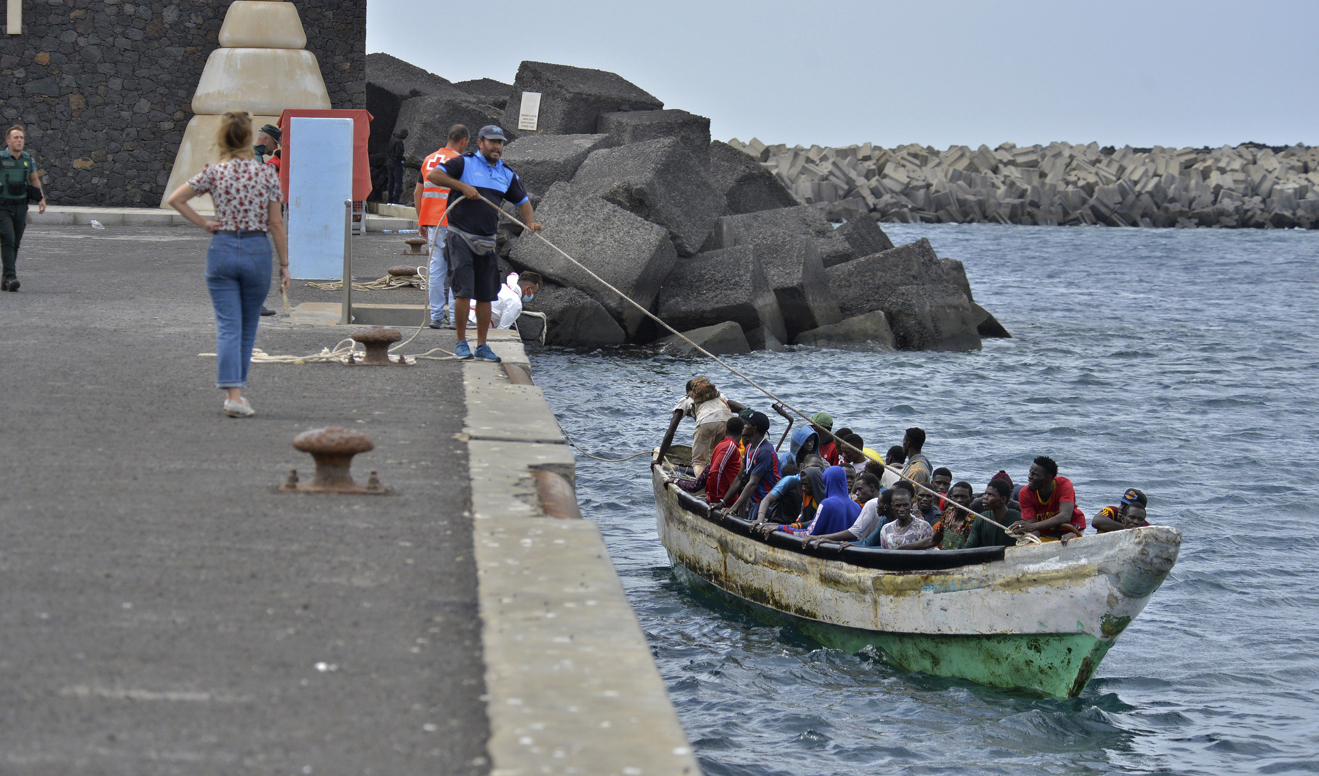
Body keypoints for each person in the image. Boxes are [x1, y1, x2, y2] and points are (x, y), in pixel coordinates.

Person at [168, 111, 289, 418]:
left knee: (227, 325)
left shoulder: (215, 172)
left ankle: (232, 394)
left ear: (222, 139)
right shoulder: (266, 175)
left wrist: (206, 224)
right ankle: (237, 395)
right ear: (250, 139)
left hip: (221, 247)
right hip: (256, 249)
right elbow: (276, 222)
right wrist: (285, 265)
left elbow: (176, 199)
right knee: (248, 326)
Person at [427, 125, 542, 363]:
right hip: (460, 236)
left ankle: (482, 345)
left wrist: (530, 222)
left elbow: (522, 200)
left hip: (487, 240)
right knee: (463, 292)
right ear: (480, 143)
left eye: (500, 142)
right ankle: (460, 343)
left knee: (486, 295)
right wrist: (463, 187)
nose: (497, 146)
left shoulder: (506, 173)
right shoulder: (464, 163)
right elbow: (434, 176)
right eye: (492, 141)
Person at [418, 125, 468, 329]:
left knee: (436, 271)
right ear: (464, 141)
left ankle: (436, 316)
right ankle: (457, 319)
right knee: (457, 271)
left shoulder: (428, 160)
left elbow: (418, 192)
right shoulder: (461, 162)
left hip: (432, 223)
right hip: (454, 222)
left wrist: (421, 219)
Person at [657, 376, 747, 474]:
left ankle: (703, 486)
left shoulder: (687, 399)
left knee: (698, 461)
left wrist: (659, 459)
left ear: (689, 392)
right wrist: (739, 430)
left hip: (706, 423)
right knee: (718, 458)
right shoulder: (718, 396)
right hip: (727, 423)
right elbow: (743, 408)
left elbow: (670, 431)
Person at [0, 125, 46, 292]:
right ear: (8, 141)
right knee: (8, 239)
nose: (19, 140)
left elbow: (34, 180)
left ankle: (5, 279)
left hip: (21, 207)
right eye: (15, 138)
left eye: (21, 138)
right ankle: (11, 277)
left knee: (15, 244)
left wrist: (41, 199)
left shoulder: (28, 159)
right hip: (3, 207)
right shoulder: (1, 158)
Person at [717, 411, 779, 518]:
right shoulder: (749, 447)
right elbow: (740, 478)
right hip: (755, 502)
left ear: (754, 429)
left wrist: (733, 508)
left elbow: (753, 484)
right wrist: (723, 502)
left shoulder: (765, 452)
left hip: (768, 505)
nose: (744, 426)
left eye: (747, 424)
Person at [1011, 456, 1087, 541]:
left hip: (1071, 528)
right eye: (1030, 473)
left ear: (1048, 478)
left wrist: (1032, 526)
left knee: (1067, 543)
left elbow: (1065, 516)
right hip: (1046, 533)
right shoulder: (1025, 493)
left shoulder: (1064, 485)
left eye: (1035, 474)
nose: (1029, 476)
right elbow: (1033, 529)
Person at [470, 270, 541, 330]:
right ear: (527, 289)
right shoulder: (515, 303)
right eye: (533, 292)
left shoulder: (504, 286)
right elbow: (502, 330)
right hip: (475, 323)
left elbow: (514, 275)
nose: (531, 296)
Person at [964, 478, 1020, 548]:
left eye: (990, 495)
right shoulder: (981, 518)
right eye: (985, 494)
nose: (985, 497)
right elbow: (970, 545)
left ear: (1003, 499)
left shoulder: (1018, 518)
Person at [703, 417, 744, 504]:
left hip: (724, 499)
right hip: (724, 501)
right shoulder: (730, 446)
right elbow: (715, 472)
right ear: (742, 431)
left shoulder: (721, 445)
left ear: (726, 429)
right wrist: (716, 498)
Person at [931, 481, 977, 550]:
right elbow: (933, 541)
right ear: (951, 498)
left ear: (971, 499)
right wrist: (909, 547)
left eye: (964, 497)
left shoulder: (975, 521)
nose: (959, 500)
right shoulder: (948, 513)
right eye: (956, 496)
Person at [386, 128, 408, 204]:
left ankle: (389, 199)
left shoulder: (392, 140)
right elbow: (398, 154)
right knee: (398, 182)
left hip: (389, 162)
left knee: (390, 181)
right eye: (406, 135)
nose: (406, 137)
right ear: (403, 134)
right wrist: (403, 158)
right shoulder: (399, 142)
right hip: (396, 163)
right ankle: (396, 200)